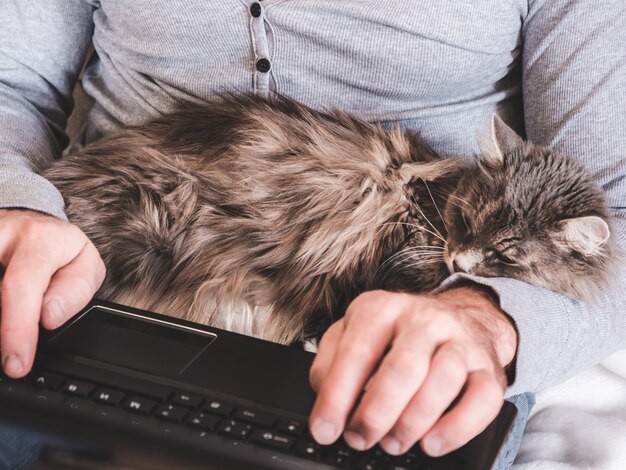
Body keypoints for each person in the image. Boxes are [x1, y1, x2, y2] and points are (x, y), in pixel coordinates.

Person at [0, 1, 624, 469]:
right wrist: (19, 205)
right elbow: (12, 82)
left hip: (407, 311)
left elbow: (616, 209)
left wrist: (488, 317)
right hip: (111, 242)